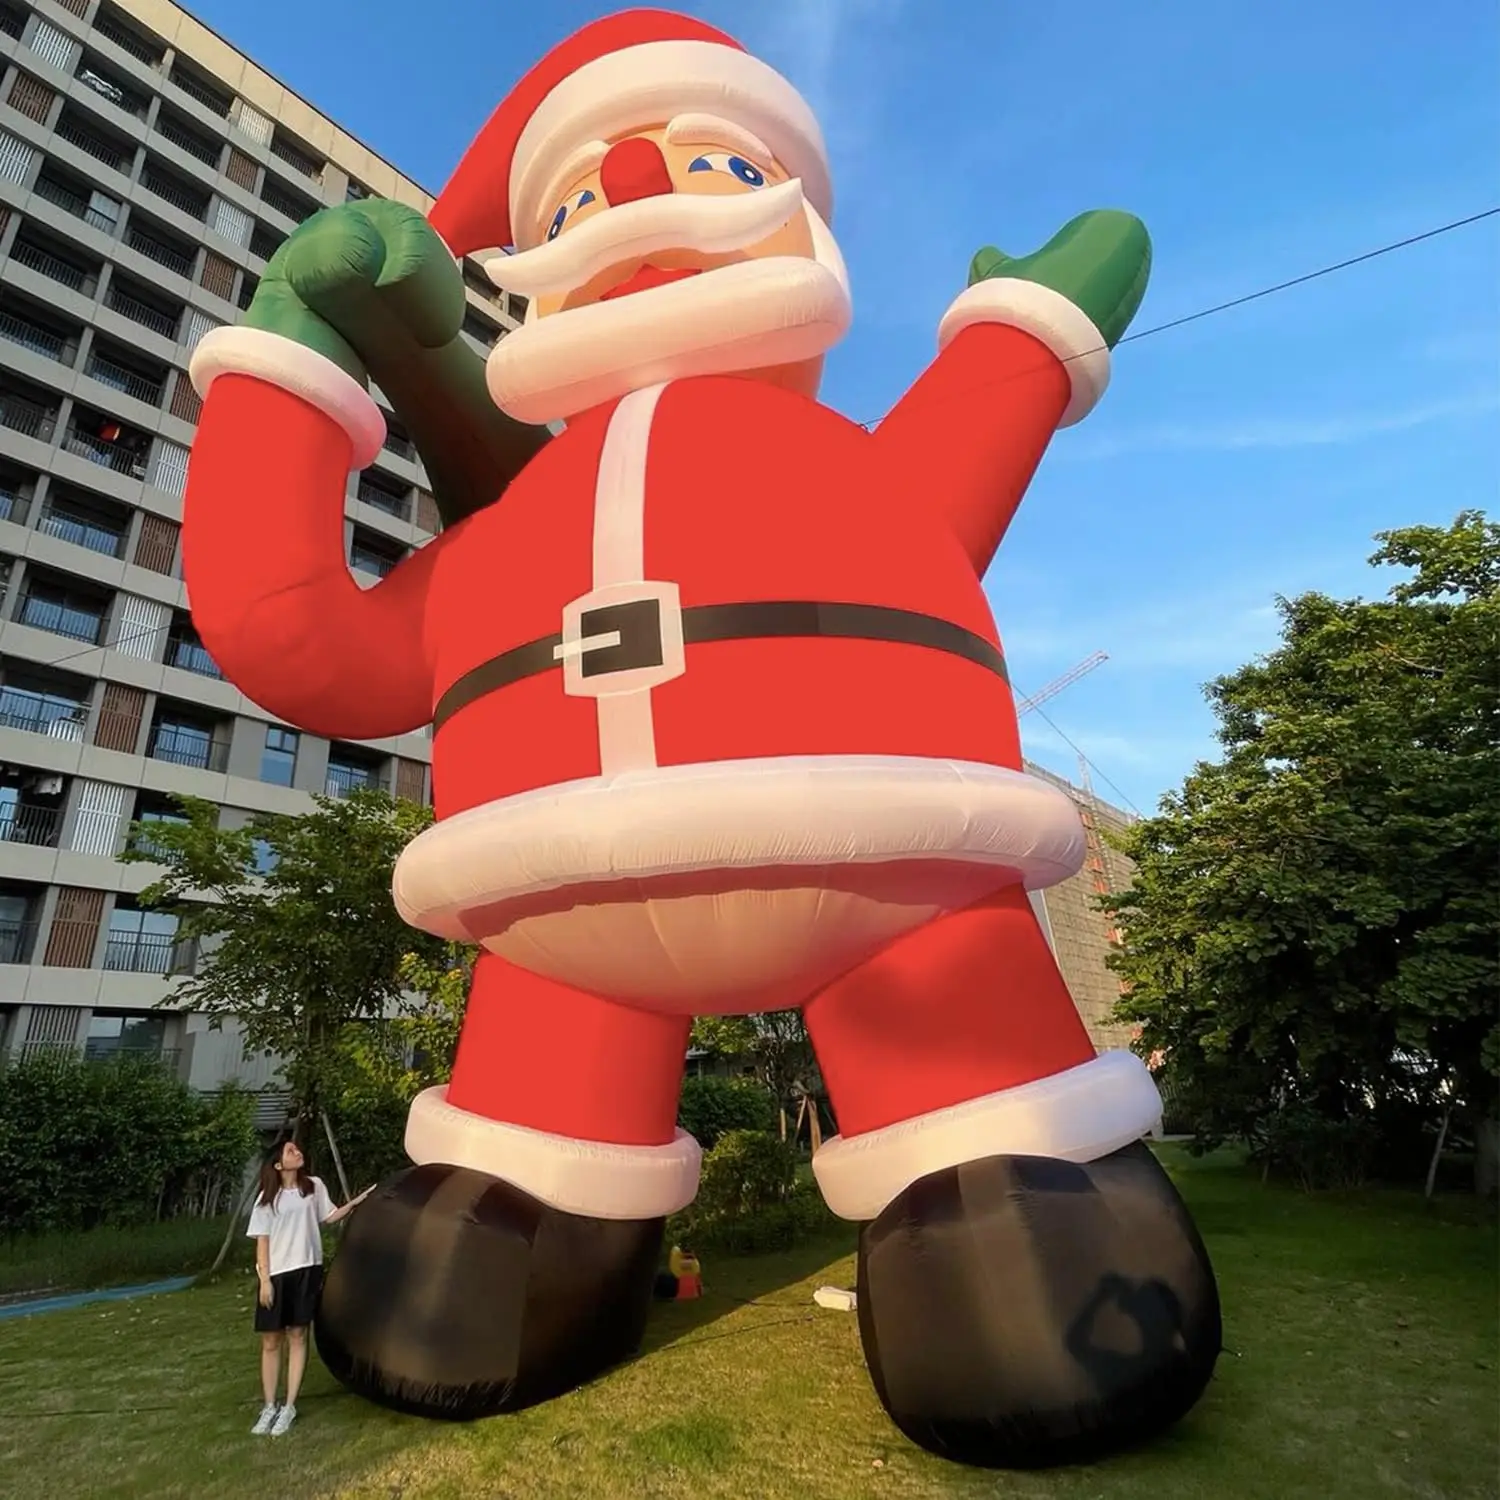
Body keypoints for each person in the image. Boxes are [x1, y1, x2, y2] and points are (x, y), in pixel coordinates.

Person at [247, 1138, 372, 1436]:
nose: (297, 1151)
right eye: (290, 1151)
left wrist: (356, 1203)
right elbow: (262, 1242)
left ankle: (289, 1406)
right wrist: (264, 1281)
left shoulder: (313, 1186)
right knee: (270, 1342)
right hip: (276, 1275)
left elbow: (328, 1216)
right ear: (278, 1165)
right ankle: (269, 1407)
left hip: (307, 1271)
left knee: (298, 1336)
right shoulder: (266, 1199)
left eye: (297, 1148)